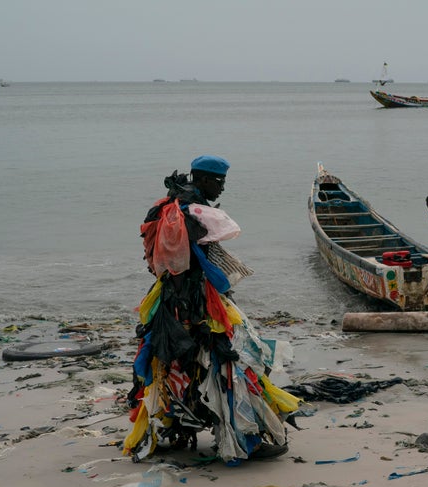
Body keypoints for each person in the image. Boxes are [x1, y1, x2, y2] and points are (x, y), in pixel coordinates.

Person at [124, 155, 300, 464]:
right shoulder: (191, 211)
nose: (222, 187)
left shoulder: (171, 206)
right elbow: (195, 260)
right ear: (203, 179)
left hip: (170, 299)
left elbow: (162, 261)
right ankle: (243, 439)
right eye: (218, 181)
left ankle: (173, 428)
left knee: (176, 363)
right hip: (196, 301)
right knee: (226, 364)